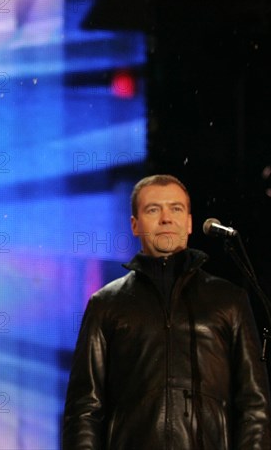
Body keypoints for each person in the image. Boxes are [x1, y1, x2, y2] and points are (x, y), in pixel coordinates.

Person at [62, 174, 271, 449]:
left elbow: (254, 405)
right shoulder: (106, 304)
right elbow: (84, 409)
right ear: (134, 225)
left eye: (176, 209)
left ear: (190, 222)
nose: (166, 218)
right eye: (153, 209)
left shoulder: (229, 300)